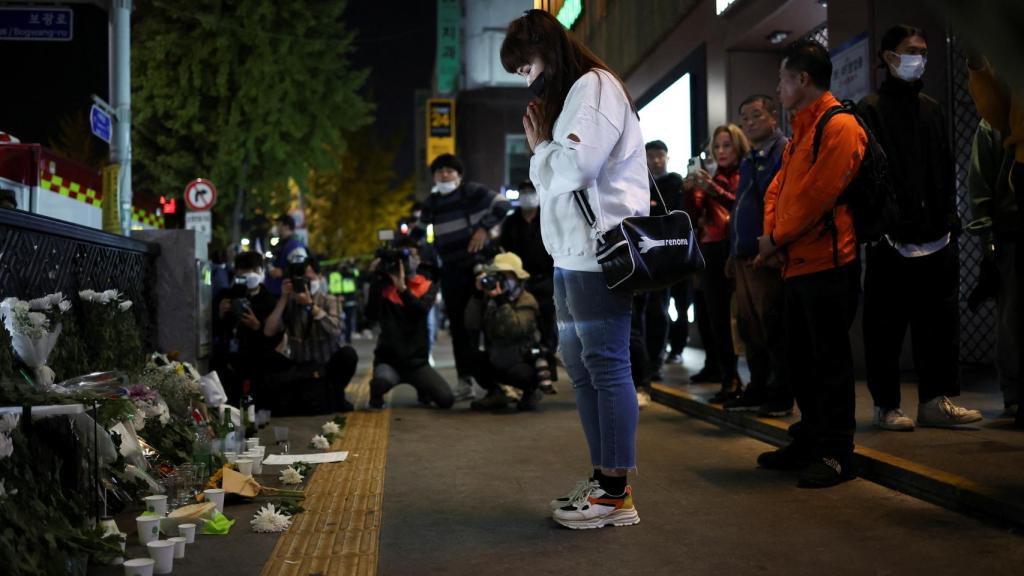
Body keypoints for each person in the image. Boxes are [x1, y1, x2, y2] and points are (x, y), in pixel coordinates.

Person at [501, 8, 648, 529]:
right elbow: (557, 177)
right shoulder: (570, 99)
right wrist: (547, 153)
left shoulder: (594, 86)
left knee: (604, 366)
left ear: (548, 51)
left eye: (526, 66)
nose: (526, 79)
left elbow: (577, 168)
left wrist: (541, 148)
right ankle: (604, 479)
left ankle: (614, 493)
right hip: (570, 255)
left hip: (597, 254)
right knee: (583, 370)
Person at [857, 25, 982, 431]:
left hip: (937, 236)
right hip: (890, 239)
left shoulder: (932, 108)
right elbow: (869, 177)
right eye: (911, 51)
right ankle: (886, 405)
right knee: (884, 328)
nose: (919, 59)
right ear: (888, 56)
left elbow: (943, 169)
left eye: (924, 52)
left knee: (939, 325)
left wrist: (950, 221)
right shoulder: (869, 109)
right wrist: (881, 225)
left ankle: (934, 401)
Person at [755, 40, 864, 488]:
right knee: (799, 361)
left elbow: (816, 197)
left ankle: (837, 453)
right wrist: (774, 239)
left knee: (829, 364)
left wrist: (775, 238)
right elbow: (778, 191)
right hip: (796, 264)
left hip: (829, 263)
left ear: (802, 79)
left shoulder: (839, 126)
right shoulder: (803, 128)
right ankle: (809, 439)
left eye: (782, 79)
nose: (778, 87)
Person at [413, 153, 511, 401]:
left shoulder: (472, 192)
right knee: (458, 326)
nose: (445, 175)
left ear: (459, 175)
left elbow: (503, 204)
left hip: (478, 268)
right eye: (440, 171)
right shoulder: (432, 202)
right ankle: (464, 381)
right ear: (434, 177)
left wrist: (483, 228)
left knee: (487, 324)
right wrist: (403, 246)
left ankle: (496, 382)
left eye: (450, 170)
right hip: (451, 271)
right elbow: (419, 231)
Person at [725, 95, 792, 417]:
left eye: (756, 115)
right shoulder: (750, 158)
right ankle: (757, 388)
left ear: (774, 117)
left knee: (773, 327)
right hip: (744, 255)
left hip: (767, 255)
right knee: (750, 327)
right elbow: (742, 208)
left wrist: (771, 247)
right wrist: (734, 251)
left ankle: (781, 395)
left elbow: (782, 203)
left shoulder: (783, 151)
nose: (749, 122)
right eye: (745, 118)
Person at [684, 124, 749, 403]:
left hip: (739, 250)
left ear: (738, 146)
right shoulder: (712, 176)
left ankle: (758, 382)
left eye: (727, 145)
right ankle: (729, 378)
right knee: (717, 319)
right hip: (711, 250)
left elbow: (740, 205)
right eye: (717, 146)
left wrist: (709, 187)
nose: (721, 151)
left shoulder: (746, 171)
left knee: (748, 319)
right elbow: (692, 213)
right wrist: (690, 190)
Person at [968, 120, 1019, 424]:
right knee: (1011, 316)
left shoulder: (996, 122)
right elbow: (981, 183)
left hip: (1010, 228)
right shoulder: (995, 124)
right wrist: (988, 238)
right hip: (1011, 230)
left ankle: (1015, 393)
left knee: (1011, 315)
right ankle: (1015, 393)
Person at [366, 237, 454, 410]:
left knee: (446, 399)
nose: (406, 261)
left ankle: (423, 389)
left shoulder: (426, 284)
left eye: (411, 255)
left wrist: (403, 289)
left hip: (417, 363)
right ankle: (376, 395)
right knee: (380, 383)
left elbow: (420, 311)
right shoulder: (384, 285)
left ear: (419, 259)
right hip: (389, 361)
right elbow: (371, 314)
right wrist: (376, 279)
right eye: (401, 257)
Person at [263, 255, 358, 413]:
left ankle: (336, 394)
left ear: (319, 278)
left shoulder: (329, 300)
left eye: (309, 278)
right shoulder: (290, 303)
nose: (305, 283)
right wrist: (283, 298)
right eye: (301, 279)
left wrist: (310, 306)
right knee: (269, 358)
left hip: (326, 364)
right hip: (300, 365)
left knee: (348, 354)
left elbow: (336, 330)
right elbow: (268, 331)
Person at [465, 252, 550, 412]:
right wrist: (477, 296)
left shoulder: (527, 299)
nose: (501, 280)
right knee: (472, 356)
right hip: (497, 355)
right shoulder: (489, 299)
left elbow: (515, 329)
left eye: (505, 276)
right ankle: (497, 393)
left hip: (522, 358)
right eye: (497, 275)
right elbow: (471, 324)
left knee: (520, 373)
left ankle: (530, 392)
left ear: (517, 278)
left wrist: (501, 301)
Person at [499, 181, 559, 370]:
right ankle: (527, 364)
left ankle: (548, 363)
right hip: (520, 283)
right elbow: (504, 250)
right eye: (523, 192)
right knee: (523, 323)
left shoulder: (549, 217)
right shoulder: (510, 222)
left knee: (547, 323)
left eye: (531, 191)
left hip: (546, 279)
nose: (528, 195)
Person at [211, 251, 281, 404]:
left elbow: (274, 340)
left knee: (250, 407)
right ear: (237, 272)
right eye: (245, 270)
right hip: (227, 364)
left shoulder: (269, 301)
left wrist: (257, 327)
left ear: (261, 271)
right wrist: (220, 315)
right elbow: (212, 331)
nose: (250, 274)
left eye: (254, 270)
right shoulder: (226, 296)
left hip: (256, 366)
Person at [643, 140, 685, 383]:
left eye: (660, 156)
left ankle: (658, 360)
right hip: (643, 257)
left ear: (667, 158)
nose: (656, 161)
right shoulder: (639, 183)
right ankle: (645, 362)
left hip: (667, 256)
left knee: (661, 310)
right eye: (651, 156)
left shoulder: (674, 182)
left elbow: (670, 214)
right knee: (646, 311)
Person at [266, 214, 308, 297]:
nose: (276, 227)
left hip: (287, 296)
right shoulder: (283, 244)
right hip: (280, 294)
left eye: (278, 224)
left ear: (286, 226)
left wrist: (283, 272)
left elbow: (301, 268)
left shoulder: (294, 245)